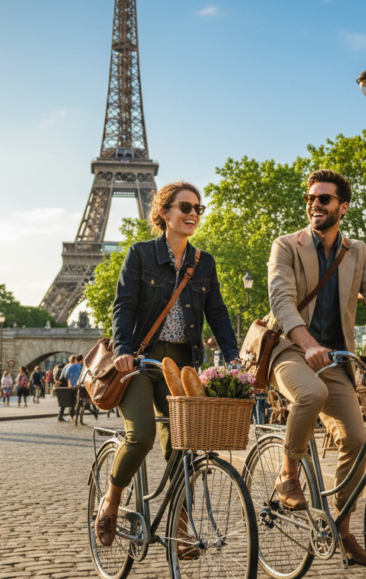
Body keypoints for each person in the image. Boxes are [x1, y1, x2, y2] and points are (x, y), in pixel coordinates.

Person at [263, 170, 366, 567]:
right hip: (289, 349)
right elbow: (281, 300)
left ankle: (342, 528)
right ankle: (288, 473)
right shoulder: (286, 245)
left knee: (356, 438)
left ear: (342, 207)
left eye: (324, 199)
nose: (315, 204)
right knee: (310, 394)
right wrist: (308, 343)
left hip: (334, 358)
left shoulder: (357, 251)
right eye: (310, 198)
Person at [95, 180, 240, 553]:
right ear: (163, 214)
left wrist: (234, 357)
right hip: (141, 361)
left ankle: (180, 527)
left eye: (197, 208)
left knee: (184, 444)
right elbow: (124, 306)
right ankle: (111, 500)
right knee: (142, 434)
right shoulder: (140, 254)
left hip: (182, 363)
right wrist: (124, 349)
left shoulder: (203, 262)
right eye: (185, 207)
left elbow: (218, 313)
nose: (193, 214)